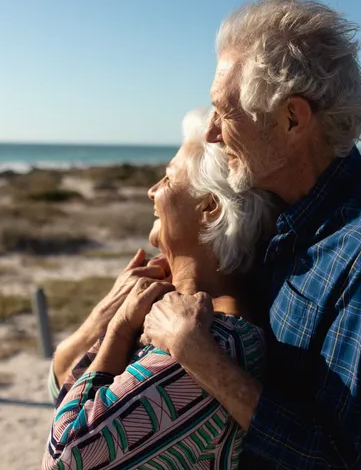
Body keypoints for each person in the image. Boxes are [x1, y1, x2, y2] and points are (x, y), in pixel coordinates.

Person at [141, 0, 361, 468]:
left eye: (224, 111)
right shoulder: (288, 207)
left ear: (292, 119)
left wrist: (198, 355)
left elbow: (340, 459)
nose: (212, 133)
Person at [43, 109, 279, 469]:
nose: (151, 191)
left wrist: (119, 330)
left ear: (210, 208)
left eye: (168, 180)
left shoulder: (205, 340)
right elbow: (62, 386)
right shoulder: (182, 315)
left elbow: (65, 457)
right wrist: (107, 315)